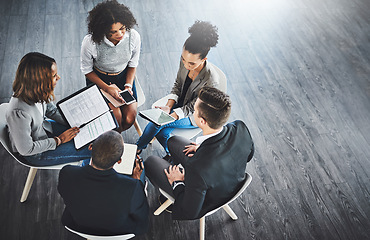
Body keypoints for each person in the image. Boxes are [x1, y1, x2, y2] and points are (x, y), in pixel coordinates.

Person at [144, 87, 254, 220]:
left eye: (195, 110)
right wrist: (203, 147)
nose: (193, 112)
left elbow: (190, 213)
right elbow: (249, 156)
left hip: (207, 197)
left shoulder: (198, 169)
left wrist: (177, 182)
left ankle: (174, 183)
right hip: (227, 178)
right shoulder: (240, 127)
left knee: (150, 162)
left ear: (202, 121)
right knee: (173, 141)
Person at [136, 20, 222, 155]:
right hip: (178, 105)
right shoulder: (185, 61)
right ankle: (172, 154)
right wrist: (169, 106)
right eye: (183, 59)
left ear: (204, 59)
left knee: (156, 124)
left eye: (192, 63)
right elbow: (177, 85)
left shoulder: (211, 80)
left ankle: (137, 148)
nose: (186, 65)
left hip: (194, 114)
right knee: (162, 133)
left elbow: (196, 106)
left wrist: (174, 115)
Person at [6, 52, 91, 166]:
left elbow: (51, 111)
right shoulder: (18, 112)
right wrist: (59, 140)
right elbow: (26, 149)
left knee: (89, 135)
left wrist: (76, 122)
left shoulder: (35, 92)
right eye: (54, 76)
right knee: (94, 150)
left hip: (44, 131)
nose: (58, 77)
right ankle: (87, 174)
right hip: (37, 154)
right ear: (39, 81)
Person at [58, 130, 149, 236]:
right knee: (141, 175)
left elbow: (64, 193)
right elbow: (142, 218)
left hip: (77, 225)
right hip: (118, 231)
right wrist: (136, 179)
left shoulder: (67, 172)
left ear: (91, 147)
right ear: (119, 160)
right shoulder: (133, 187)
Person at [81, 0, 140, 132]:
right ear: (102, 30)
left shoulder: (133, 37)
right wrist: (107, 88)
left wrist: (128, 85)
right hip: (100, 79)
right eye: (113, 32)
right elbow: (87, 70)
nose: (120, 34)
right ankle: (115, 140)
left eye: (122, 28)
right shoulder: (90, 42)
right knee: (116, 117)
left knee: (130, 117)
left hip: (123, 77)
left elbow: (132, 64)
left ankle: (114, 137)